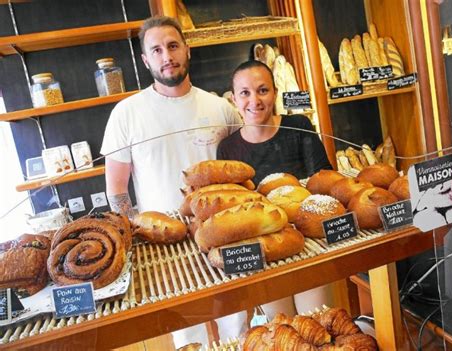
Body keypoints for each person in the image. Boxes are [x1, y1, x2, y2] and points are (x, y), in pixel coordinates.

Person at [100, 16, 245, 349]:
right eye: (157, 49)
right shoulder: (127, 112)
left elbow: (243, 157)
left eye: (173, 45)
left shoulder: (219, 106)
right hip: (165, 243)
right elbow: (117, 188)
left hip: (222, 230)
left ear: (187, 49)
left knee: (236, 323)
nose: (167, 56)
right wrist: (129, 235)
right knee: (187, 331)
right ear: (145, 59)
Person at [217, 60, 334, 318]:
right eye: (245, 93)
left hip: (310, 246)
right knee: (283, 329)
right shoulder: (228, 150)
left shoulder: (299, 127)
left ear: (275, 93)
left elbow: (324, 182)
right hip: (267, 252)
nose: (254, 100)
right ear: (234, 99)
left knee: (318, 321)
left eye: (262, 90)